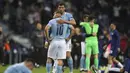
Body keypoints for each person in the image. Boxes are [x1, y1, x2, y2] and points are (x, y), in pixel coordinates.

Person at [56, 2, 76, 73]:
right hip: (58, 39)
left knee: (68, 55)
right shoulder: (56, 15)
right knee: (58, 56)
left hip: (66, 38)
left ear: (64, 8)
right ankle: (59, 70)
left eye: (62, 7)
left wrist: (64, 21)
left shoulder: (68, 15)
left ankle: (71, 71)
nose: (61, 8)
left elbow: (74, 23)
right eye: (59, 7)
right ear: (58, 8)